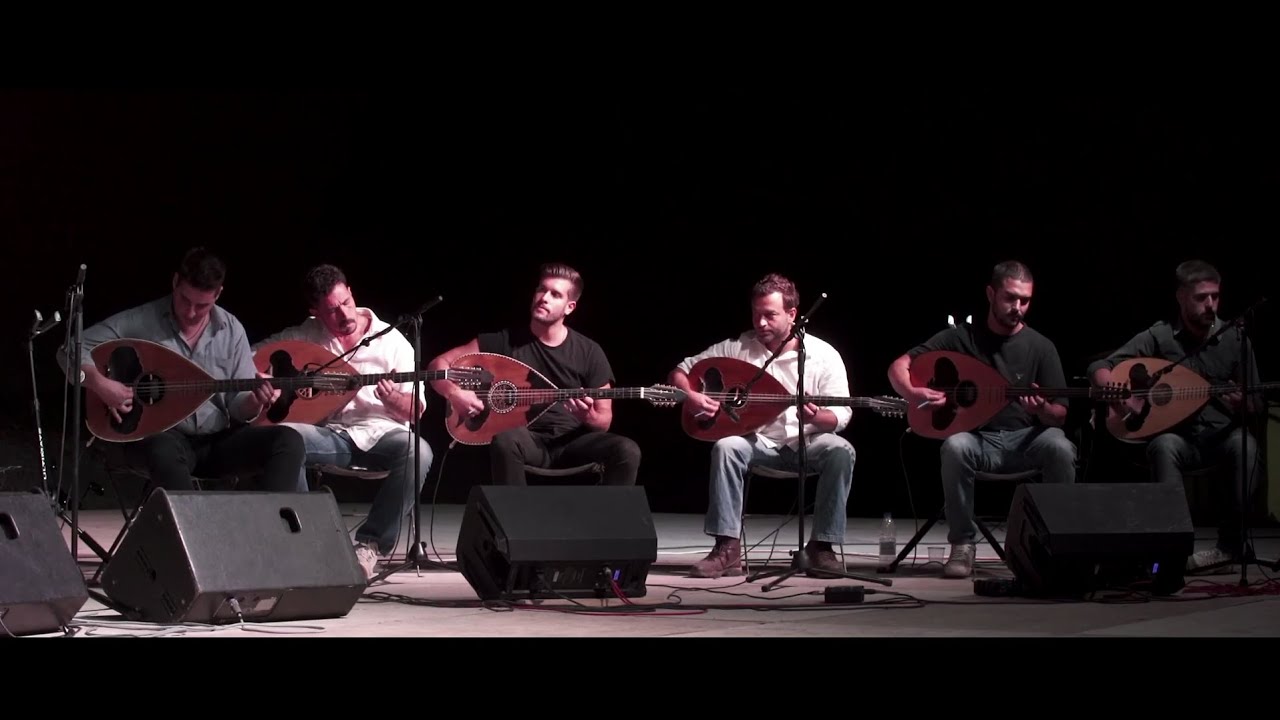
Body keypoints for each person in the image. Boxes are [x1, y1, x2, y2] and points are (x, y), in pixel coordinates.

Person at [57, 247, 307, 495]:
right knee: (162, 448)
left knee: (288, 441)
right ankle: (190, 530)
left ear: (218, 294)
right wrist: (100, 384)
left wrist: (255, 401)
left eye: (202, 306)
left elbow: (237, 408)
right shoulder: (143, 320)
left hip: (217, 442)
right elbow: (70, 348)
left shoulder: (231, 331)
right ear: (175, 282)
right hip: (166, 440)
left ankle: (269, 529)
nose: (190, 312)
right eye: (185, 300)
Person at [887, 260, 1077, 579]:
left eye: (1025, 300)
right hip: (979, 439)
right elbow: (898, 365)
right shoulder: (962, 338)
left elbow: (1059, 415)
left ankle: (1056, 542)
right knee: (955, 446)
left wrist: (1041, 409)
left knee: (1060, 446)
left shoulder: (1041, 347)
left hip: (1027, 439)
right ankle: (962, 544)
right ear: (991, 294)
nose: (1018, 307)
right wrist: (914, 393)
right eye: (1010, 297)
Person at [668, 273, 856, 579]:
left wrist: (815, 417)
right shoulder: (739, 347)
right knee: (727, 446)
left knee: (841, 451)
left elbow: (841, 414)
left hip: (807, 443)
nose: (761, 323)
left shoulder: (823, 355)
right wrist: (690, 397)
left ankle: (822, 547)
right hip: (758, 442)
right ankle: (727, 549)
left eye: (770, 315)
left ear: (793, 314)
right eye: (756, 314)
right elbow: (681, 370)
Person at [252, 264, 432, 580]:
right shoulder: (306, 335)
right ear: (315, 312)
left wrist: (394, 401)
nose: (344, 315)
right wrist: (266, 379)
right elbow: (251, 356)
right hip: (331, 434)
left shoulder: (392, 342)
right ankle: (308, 542)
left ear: (351, 292)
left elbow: (416, 410)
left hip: (383, 434)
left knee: (420, 451)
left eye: (345, 303)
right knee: (285, 439)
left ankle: (370, 546)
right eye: (332, 311)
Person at [1088, 260, 1264, 573]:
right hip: (1180, 437)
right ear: (1181, 297)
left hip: (1222, 437)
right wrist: (1117, 395)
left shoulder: (1236, 340)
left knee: (1245, 445)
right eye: (1201, 297)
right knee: (1164, 445)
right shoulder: (1159, 337)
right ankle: (1173, 548)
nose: (1210, 305)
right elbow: (1101, 366)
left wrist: (1244, 405)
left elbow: (1257, 404)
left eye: (1215, 296)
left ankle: (1232, 546)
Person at [428, 262, 641, 486]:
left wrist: (588, 417)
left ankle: (606, 520)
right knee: (506, 439)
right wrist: (455, 394)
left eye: (555, 294)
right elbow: (438, 365)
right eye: (541, 289)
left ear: (569, 307)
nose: (544, 297)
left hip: (572, 442)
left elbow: (604, 421)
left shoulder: (590, 352)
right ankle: (513, 519)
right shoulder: (503, 341)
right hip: (526, 441)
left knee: (627, 450)